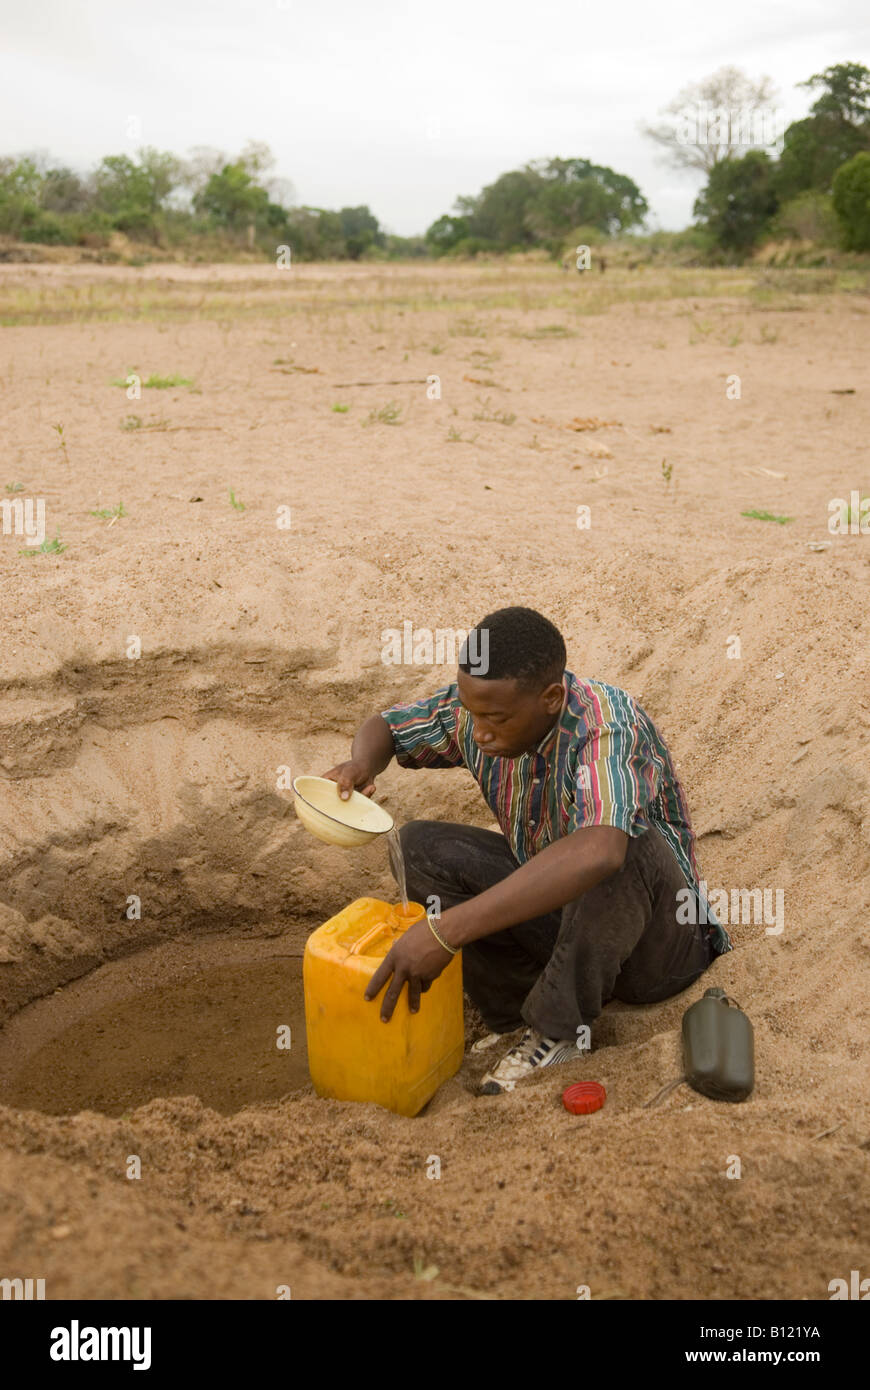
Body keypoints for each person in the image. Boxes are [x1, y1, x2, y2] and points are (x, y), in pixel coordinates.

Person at [323, 606, 730, 1095]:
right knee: (422, 847)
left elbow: (600, 852)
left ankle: (557, 1031)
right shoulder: (480, 709)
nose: (478, 732)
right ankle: (517, 1018)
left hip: (656, 950)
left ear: (552, 698)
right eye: (472, 714)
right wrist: (361, 764)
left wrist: (445, 931)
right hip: (568, 926)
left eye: (495, 718)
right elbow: (386, 727)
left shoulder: (606, 727)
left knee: (618, 843)